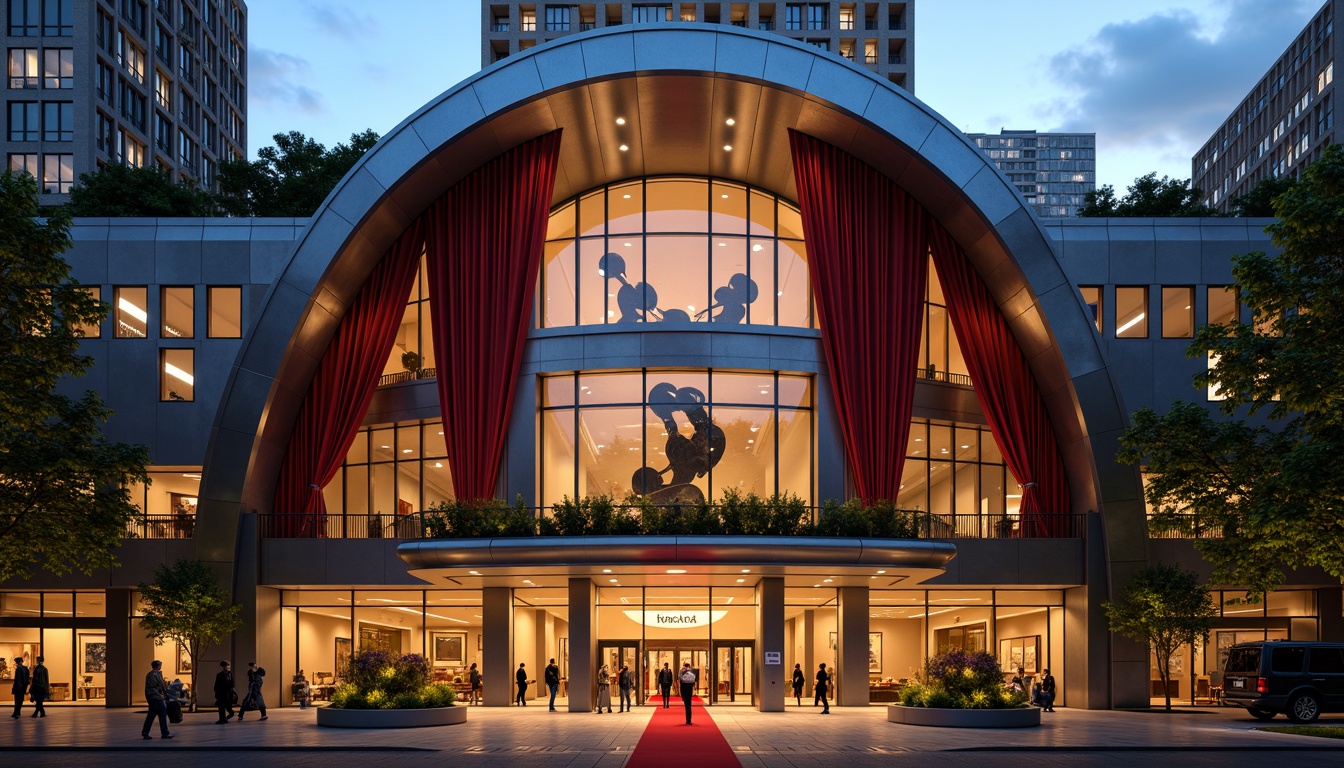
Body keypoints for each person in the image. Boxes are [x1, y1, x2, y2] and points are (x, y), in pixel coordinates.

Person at [141, 660, 172, 740]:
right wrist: (160, 695)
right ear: (157, 665)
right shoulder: (153, 675)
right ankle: (164, 733)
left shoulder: (155, 674)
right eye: (160, 665)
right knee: (161, 715)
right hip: (156, 698)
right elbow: (153, 687)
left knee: (152, 715)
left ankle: (146, 732)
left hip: (155, 698)